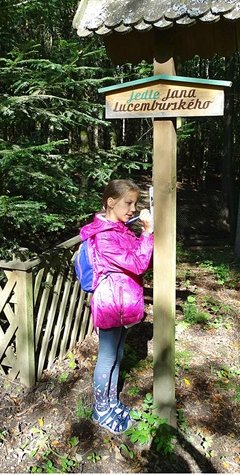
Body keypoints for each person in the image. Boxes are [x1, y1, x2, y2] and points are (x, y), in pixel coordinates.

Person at [79, 179, 153, 434]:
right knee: (107, 357)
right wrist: (148, 233)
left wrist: (144, 236)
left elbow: (144, 260)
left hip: (123, 303)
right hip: (110, 305)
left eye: (135, 203)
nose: (133, 208)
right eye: (128, 203)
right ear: (111, 202)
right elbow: (138, 264)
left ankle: (112, 403)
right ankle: (101, 411)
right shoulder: (105, 236)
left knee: (118, 356)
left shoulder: (121, 229)